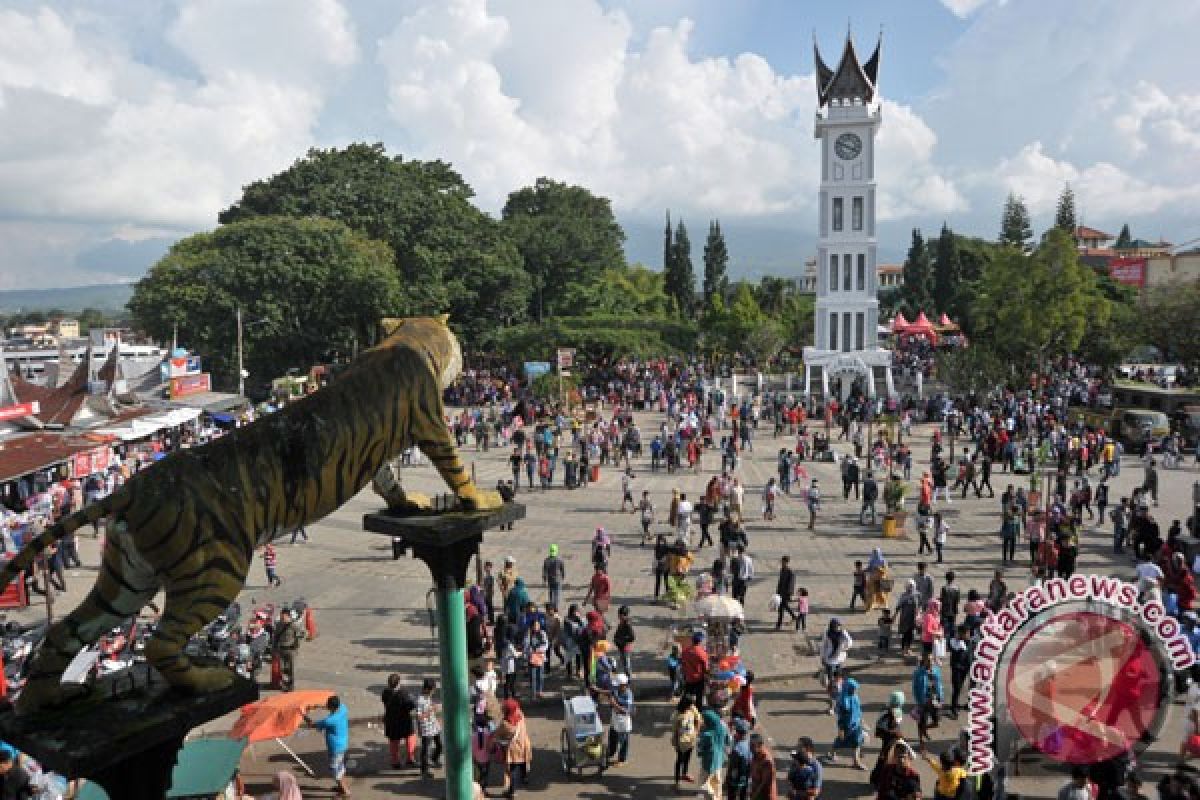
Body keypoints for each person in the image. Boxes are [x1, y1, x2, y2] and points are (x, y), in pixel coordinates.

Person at [305, 695, 350, 797]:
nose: (326, 707)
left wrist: (305, 716)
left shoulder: (329, 720)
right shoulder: (343, 708)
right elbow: (330, 707)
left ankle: (345, 791)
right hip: (343, 744)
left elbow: (312, 724)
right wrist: (317, 706)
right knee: (340, 767)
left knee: (335, 771)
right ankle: (341, 787)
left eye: (328, 706)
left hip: (335, 748)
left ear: (331, 707)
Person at [495, 698, 533, 799]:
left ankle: (512, 792)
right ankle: (525, 777)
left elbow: (497, 734)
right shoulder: (521, 717)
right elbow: (517, 710)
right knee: (524, 762)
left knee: (512, 770)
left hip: (513, 750)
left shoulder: (505, 724)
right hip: (524, 744)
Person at [828, 677, 866, 769]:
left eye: (855, 689)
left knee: (857, 742)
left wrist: (862, 720)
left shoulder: (855, 697)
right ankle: (832, 753)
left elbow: (858, 710)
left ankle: (856, 761)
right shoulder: (843, 701)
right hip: (846, 727)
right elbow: (841, 716)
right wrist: (841, 729)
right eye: (853, 689)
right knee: (841, 741)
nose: (855, 690)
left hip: (855, 725)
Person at [382, 674, 416, 769]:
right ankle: (410, 758)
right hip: (404, 720)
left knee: (393, 741)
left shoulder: (385, 692)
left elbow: (384, 701)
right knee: (410, 736)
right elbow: (411, 706)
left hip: (391, 720)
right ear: (398, 683)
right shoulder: (403, 693)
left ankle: (395, 761)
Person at [820, 620, 853, 713]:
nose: (838, 628)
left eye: (839, 626)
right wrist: (822, 657)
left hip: (839, 660)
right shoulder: (827, 634)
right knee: (831, 682)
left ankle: (836, 697)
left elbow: (850, 643)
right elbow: (823, 646)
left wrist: (845, 633)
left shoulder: (842, 635)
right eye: (836, 626)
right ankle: (832, 703)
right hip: (830, 661)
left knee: (838, 681)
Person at [912, 654, 943, 753]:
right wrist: (918, 702)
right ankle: (921, 743)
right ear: (924, 661)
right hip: (924, 701)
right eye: (928, 660)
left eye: (931, 660)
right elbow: (915, 688)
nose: (930, 662)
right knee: (922, 721)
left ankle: (924, 729)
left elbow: (940, 685)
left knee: (936, 722)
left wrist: (941, 698)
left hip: (935, 701)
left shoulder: (936, 671)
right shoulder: (918, 673)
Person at [697, 708, 730, 799]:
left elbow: (700, 751)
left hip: (707, 765)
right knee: (717, 786)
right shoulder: (722, 728)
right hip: (719, 763)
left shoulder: (706, 735)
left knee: (706, 787)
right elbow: (728, 741)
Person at [672, 695, 703, 789]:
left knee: (687, 758)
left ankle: (684, 773)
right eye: (690, 704)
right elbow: (675, 731)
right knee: (679, 760)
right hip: (681, 742)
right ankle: (676, 781)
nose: (692, 706)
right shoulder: (677, 715)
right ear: (685, 704)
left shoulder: (692, 709)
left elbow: (699, 719)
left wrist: (696, 732)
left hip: (691, 739)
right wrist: (676, 743)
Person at [416, 678, 444, 778]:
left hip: (433, 725)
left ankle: (434, 758)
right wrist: (430, 710)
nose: (434, 691)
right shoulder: (420, 700)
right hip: (426, 728)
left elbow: (429, 708)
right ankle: (424, 771)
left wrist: (433, 707)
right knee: (425, 750)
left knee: (439, 745)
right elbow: (419, 716)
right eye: (433, 689)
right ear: (428, 689)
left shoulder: (427, 697)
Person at [607, 673, 634, 767]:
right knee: (612, 736)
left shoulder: (628, 694)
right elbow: (610, 693)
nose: (616, 687)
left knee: (623, 741)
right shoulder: (616, 690)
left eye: (618, 685)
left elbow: (627, 710)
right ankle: (610, 753)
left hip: (623, 721)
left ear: (624, 685)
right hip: (615, 718)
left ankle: (622, 759)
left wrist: (615, 705)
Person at [272, 608, 303, 691]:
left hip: (290, 650)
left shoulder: (294, 625)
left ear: (288, 616)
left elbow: (300, 635)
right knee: (282, 669)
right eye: (281, 616)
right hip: (281, 649)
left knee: (291, 669)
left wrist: (296, 646)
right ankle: (285, 683)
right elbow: (275, 637)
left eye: (284, 617)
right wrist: (274, 649)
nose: (282, 618)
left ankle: (291, 686)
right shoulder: (279, 625)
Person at [682, 631, 710, 708]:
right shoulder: (702, 653)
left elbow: (683, 664)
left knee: (687, 696)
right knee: (699, 697)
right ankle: (698, 712)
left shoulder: (685, 651)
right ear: (700, 641)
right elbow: (706, 667)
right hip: (698, 678)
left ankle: (685, 709)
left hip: (688, 678)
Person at [748, 732, 777, 800]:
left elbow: (764, 784)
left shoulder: (766, 761)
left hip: (764, 796)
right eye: (750, 745)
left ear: (760, 745)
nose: (750, 748)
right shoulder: (756, 754)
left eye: (752, 746)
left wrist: (753, 796)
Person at [775, 556, 799, 630]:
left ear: (786, 562)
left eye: (783, 562)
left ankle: (779, 624)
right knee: (782, 608)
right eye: (781, 562)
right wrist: (777, 591)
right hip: (780, 592)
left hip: (786, 593)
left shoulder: (790, 572)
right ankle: (794, 617)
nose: (782, 563)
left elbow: (791, 584)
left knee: (782, 608)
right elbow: (780, 581)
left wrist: (789, 593)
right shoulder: (782, 570)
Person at [542, 544, 565, 613]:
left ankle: (551, 606)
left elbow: (544, 570)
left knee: (551, 593)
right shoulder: (559, 560)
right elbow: (562, 569)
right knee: (557, 593)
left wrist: (544, 578)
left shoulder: (546, 560)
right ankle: (556, 607)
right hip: (557, 579)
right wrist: (563, 576)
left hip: (550, 579)